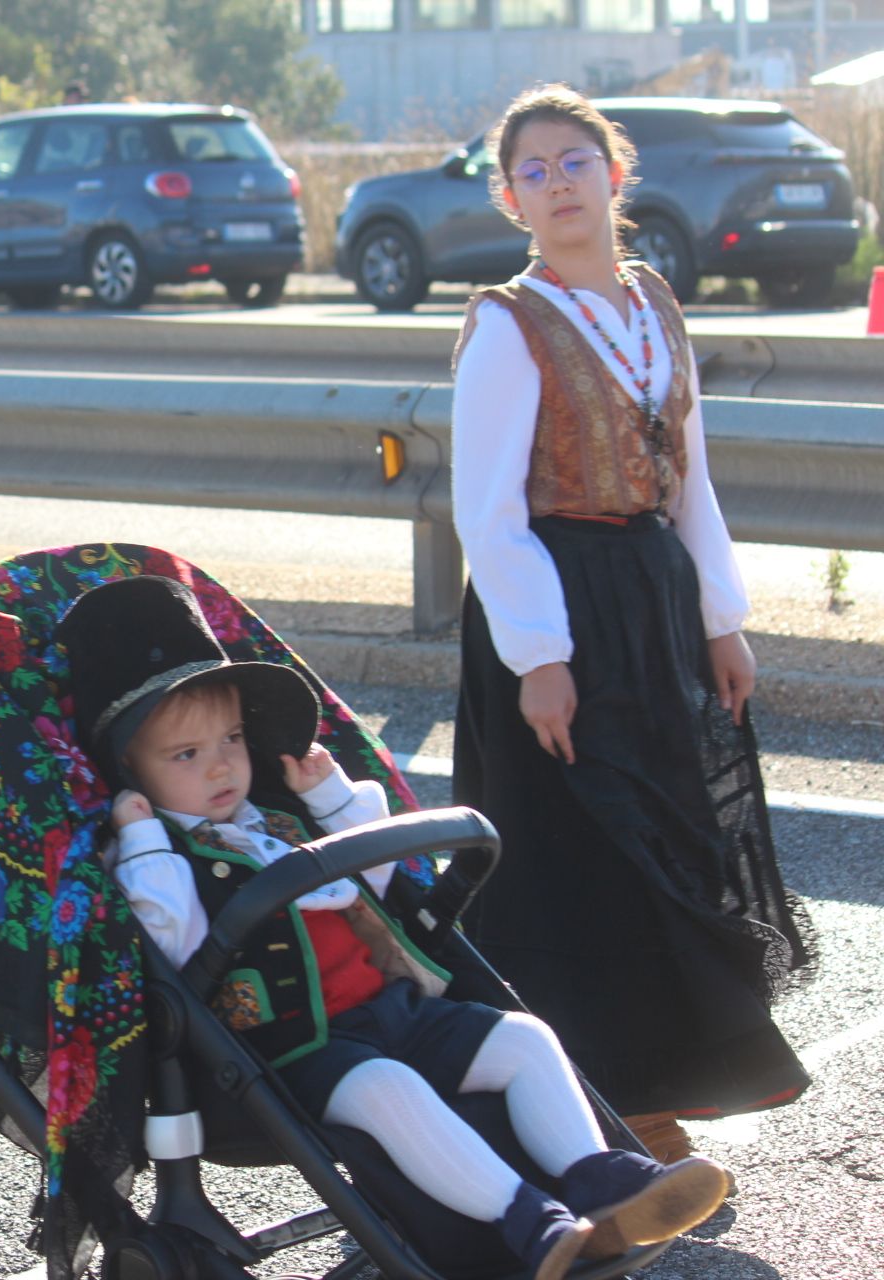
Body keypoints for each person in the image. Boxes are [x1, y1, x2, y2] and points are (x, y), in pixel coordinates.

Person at [57, 575, 732, 1280]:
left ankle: (601, 1178)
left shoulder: (280, 821)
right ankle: (534, 1221)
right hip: (297, 1053)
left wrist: (332, 797)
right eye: (186, 755)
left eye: (230, 738)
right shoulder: (157, 856)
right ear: (129, 774)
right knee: (392, 1093)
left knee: (525, 1039)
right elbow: (175, 942)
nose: (223, 764)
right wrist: (142, 843)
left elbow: (377, 882)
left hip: (395, 1009)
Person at [450, 84, 813, 1165]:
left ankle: (669, 1071)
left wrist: (720, 619)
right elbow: (488, 508)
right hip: (555, 602)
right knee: (577, 854)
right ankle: (599, 1099)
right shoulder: (509, 325)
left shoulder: (653, 300)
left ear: (617, 170)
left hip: (649, 594)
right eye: (534, 172)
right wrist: (540, 657)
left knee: (669, 838)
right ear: (513, 200)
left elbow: (689, 480)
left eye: (575, 161)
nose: (558, 184)